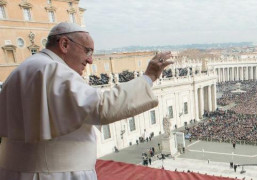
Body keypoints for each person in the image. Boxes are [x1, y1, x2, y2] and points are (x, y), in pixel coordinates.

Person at [0, 22, 173, 180]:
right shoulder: (52, 69)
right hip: (56, 174)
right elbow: (101, 106)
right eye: (87, 51)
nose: (90, 59)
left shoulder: (23, 70)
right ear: (64, 44)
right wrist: (149, 77)